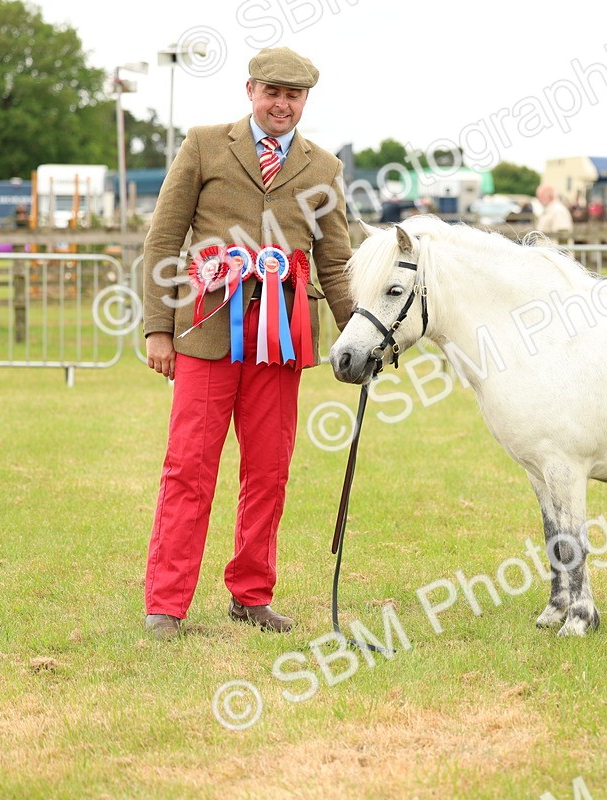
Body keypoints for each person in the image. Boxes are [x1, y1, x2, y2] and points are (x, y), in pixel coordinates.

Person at [141, 46, 352, 640]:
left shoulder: (324, 169)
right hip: (204, 333)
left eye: (294, 95)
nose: (282, 104)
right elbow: (163, 240)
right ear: (251, 90)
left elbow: (335, 262)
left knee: (269, 471)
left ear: (305, 100)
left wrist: (357, 338)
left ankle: (252, 595)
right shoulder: (205, 144)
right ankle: (166, 604)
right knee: (189, 468)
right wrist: (159, 327)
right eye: (272, 92)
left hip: (281, 345)